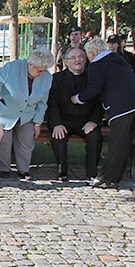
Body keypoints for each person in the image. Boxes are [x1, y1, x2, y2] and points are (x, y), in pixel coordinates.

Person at [73, 37, 135, 188]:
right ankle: (116, 176)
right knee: (125, 142)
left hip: (122, 105)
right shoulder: (117, 59)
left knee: (117, 142)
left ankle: (105, 177)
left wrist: (78, 98)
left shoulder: (97, 65)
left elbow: (94, 89)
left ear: (91, 53)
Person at [0, 49, 55, 179]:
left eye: (44, 70)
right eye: (40, 71)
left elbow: (43, 102)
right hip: (6, 111)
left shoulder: (47, 77)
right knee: (4, 141)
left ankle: (23, 170)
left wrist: (38, 122)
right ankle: (4, 169)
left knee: (26, 140)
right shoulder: (12, 68)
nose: (42, 73)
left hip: (27, 114)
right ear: (31, 64)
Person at [47, 47, 103, 181]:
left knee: (95, 137)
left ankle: (92, 173)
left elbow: (99, 102)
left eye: (81, 57)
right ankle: (62, 172)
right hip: (64, 120)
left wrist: (93, 121)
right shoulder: (57, 79)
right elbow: (52, 103)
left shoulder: (93, 78)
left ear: (86, 60)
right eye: (73, 57)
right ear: (66, 61)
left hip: (86, 121)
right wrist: (57, 124)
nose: (77, 60)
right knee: (58, 136)